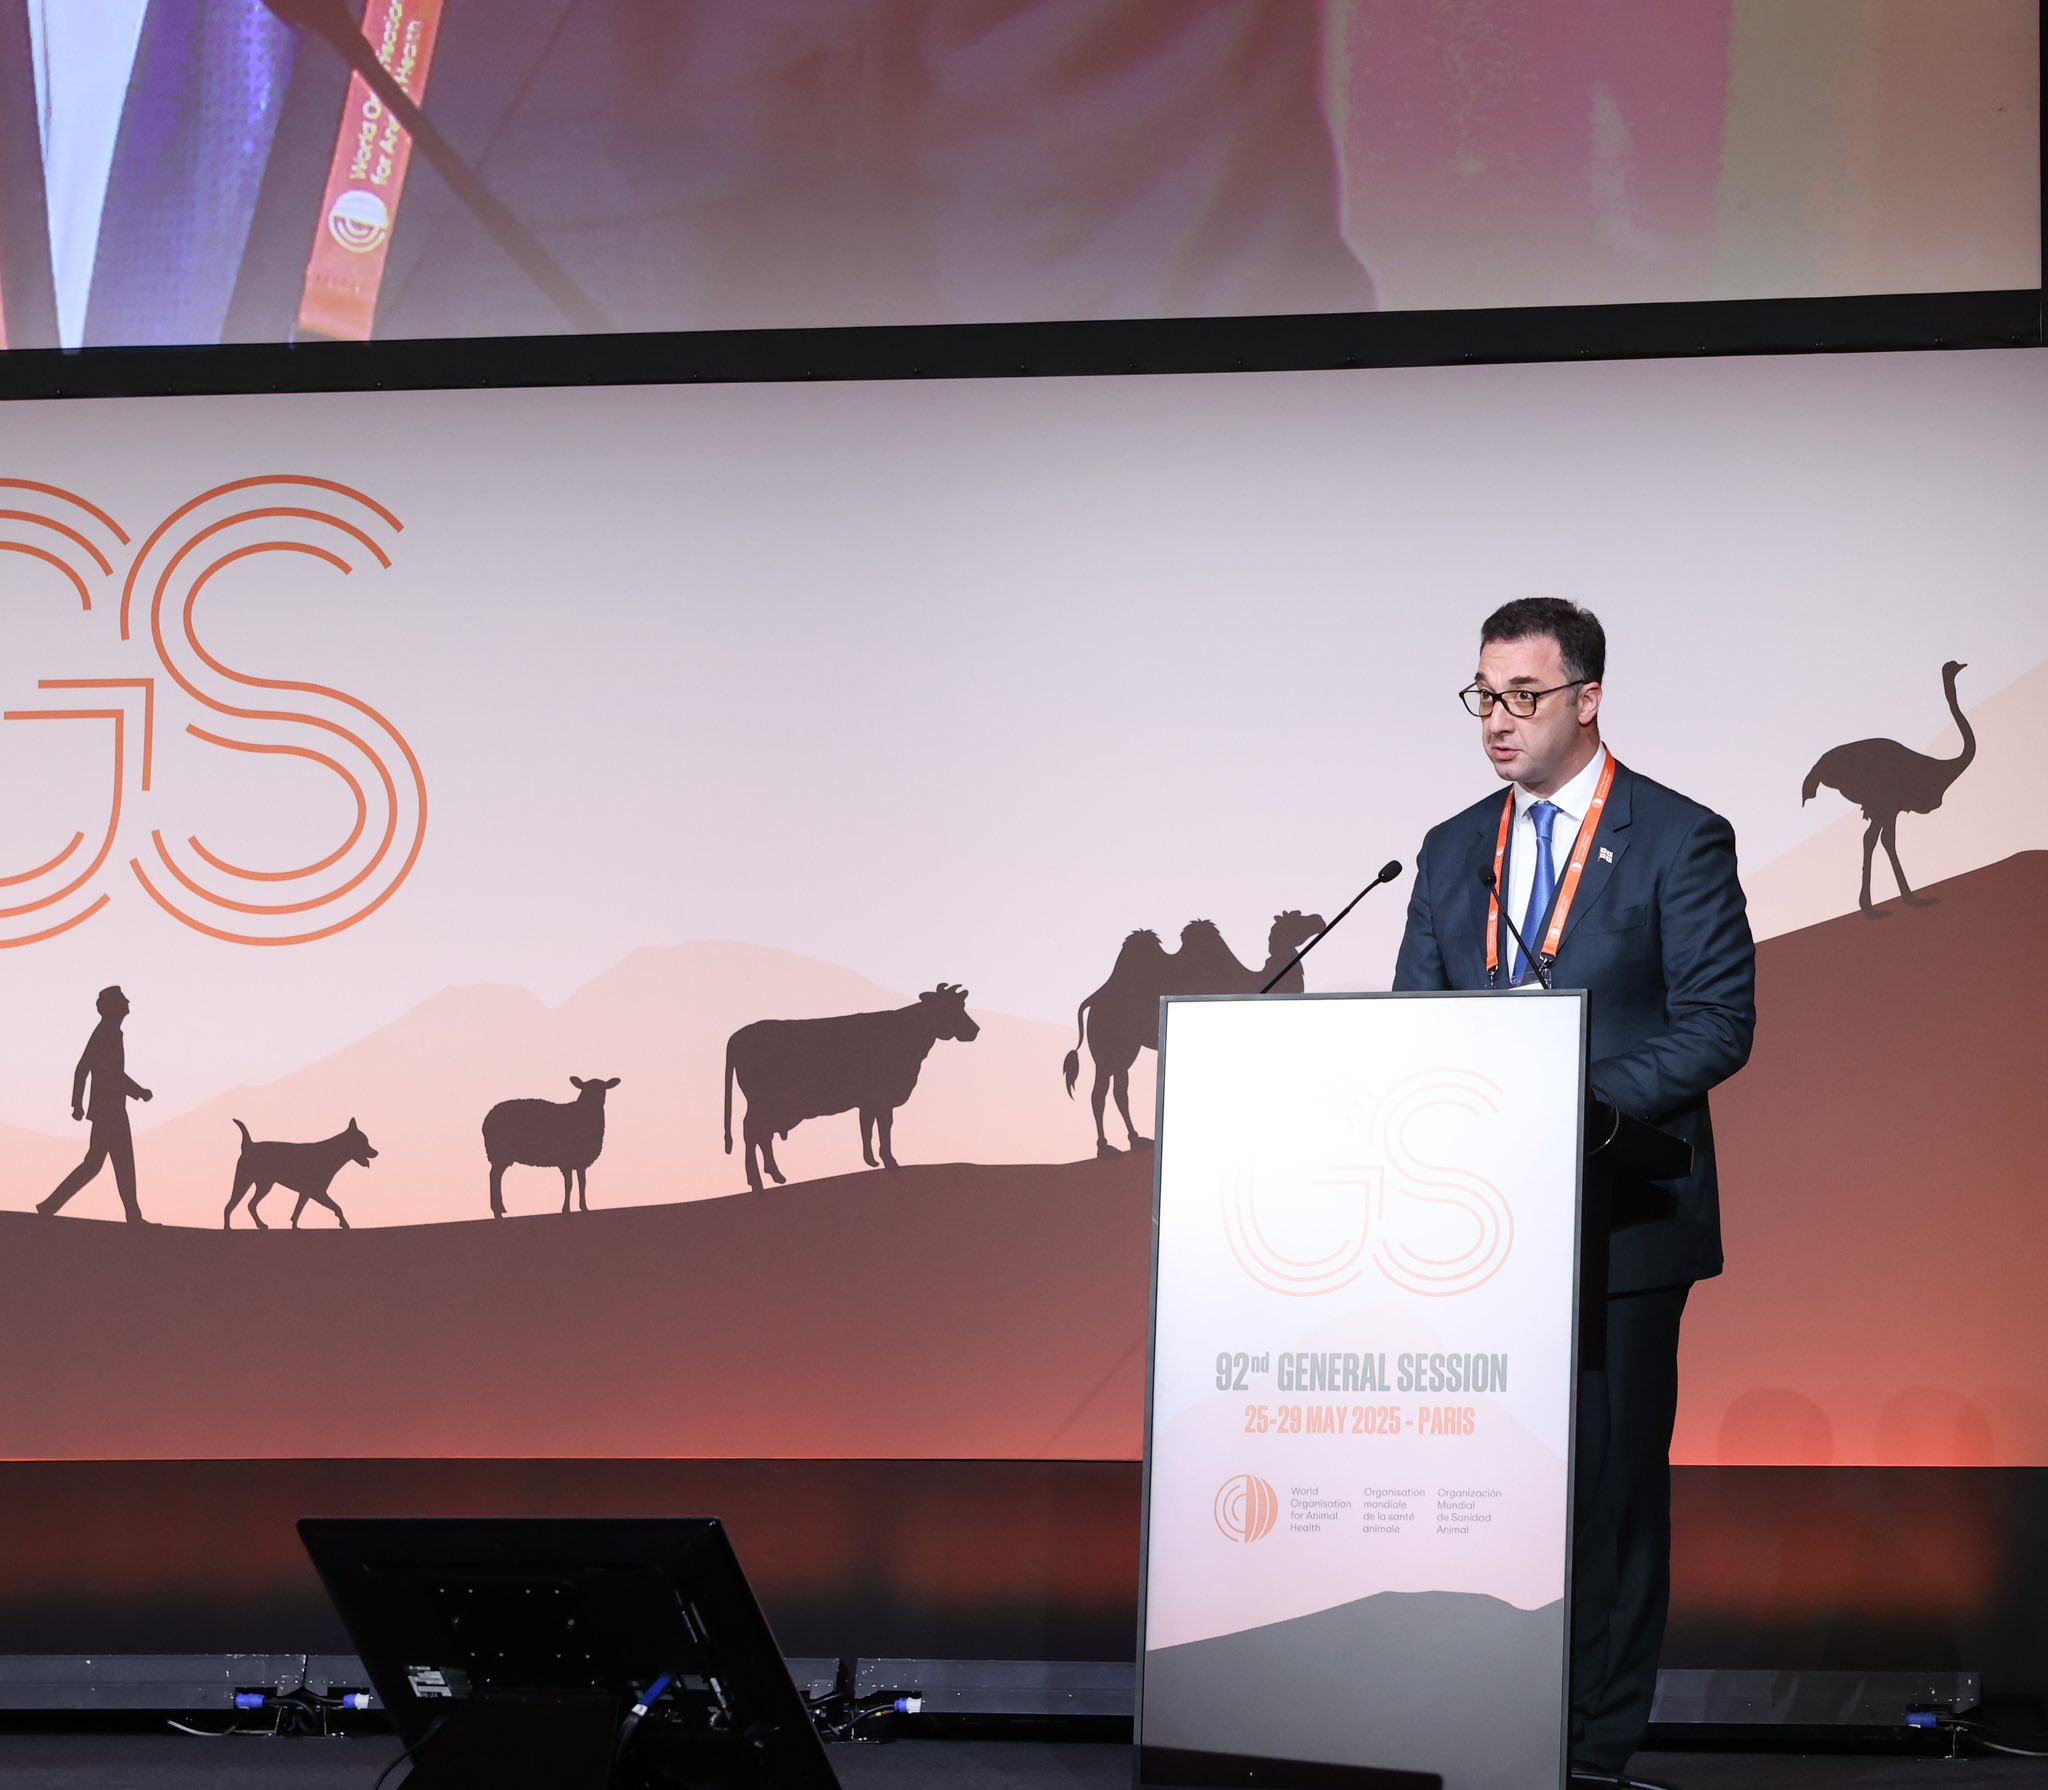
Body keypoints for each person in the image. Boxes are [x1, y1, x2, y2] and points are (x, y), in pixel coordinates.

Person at [1392, 597, 1755, 1774]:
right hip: (1477, 1225)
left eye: (1522, 696)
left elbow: (1716, 1023)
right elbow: (1414, 1023)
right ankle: (1487, 1723)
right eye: (1482, 696)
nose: (1495, 720)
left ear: (1586, 698)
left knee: (1607, 1490)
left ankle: (1593, 1744)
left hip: (1619, 1220)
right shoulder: (1452, 846)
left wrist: (1564, 1097)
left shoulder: (1676, 836)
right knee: (1482, 1488)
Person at [38, 985, 155, 1224]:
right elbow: (96, 1071)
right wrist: (138, 1092)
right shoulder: (106, 1034)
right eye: (122, 1000)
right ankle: (133, 1216)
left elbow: (96, 1071)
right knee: (121, 1164)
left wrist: (78, 1105)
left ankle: (50, 1205)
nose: (127, 1003)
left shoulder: (109, 1032)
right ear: (113, 1007)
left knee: (95, 1164)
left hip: (109, 1110)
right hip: (110, 1112)